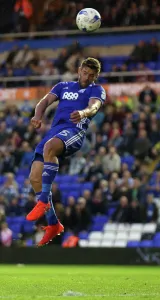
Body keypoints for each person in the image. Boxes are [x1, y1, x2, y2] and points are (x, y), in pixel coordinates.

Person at [26, 57, 106, 246]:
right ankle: (53, 224)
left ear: (96, 76)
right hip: (54, 132)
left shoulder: (96, 90)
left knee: (49, 148)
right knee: (34, 177)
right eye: (85, 73)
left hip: (74, 131)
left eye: (91, 75)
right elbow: (44, 102)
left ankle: (43, 200)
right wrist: (37, 117)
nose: (87, 77)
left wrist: (84, 113)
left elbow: (94, 106)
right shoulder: (63, 86)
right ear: (79, 70)